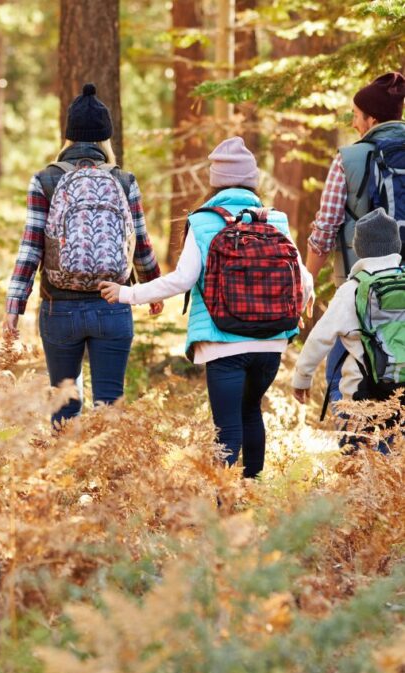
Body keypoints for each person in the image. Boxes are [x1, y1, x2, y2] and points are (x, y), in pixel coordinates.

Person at [100, 136, 314, 478]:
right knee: (251, 412)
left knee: (226, 427)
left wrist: (127, 294)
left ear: (216, 181)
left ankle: (223, 506)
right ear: (252, 180)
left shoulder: (203, 221)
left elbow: (182, 280)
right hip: (272, 343)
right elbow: (302, 279)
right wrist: (297, 312)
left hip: (222, 341)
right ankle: (252, 492)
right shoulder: (276, 220)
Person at [3, 83, 163, 427]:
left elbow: (30, 249)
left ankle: (66, 477)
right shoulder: (123, 180)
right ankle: (107, 478)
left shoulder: (45, 180)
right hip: (113, 303)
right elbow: (140, 242)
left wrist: (13, 307)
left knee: (63, 405)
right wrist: (153, 289)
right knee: (109, 406)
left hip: (59, 307)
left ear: (69, 136)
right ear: (106, 137)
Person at [304, 72, 405, 407]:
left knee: (346, 376)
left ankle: (355, 452)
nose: (354, 122)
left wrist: (308, 284)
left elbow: (325, 231)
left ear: (371, 119)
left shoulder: (349, 159)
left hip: (361, 289)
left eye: (357, 115)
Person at [292, 208, 403, 451]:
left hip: (360, 392)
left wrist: (302, 378)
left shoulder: (351, 290)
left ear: (359, 249)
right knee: (393, 457)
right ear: (396, 245)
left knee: (358, 456)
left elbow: (320, 338)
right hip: (402, 391)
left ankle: (358, 484)